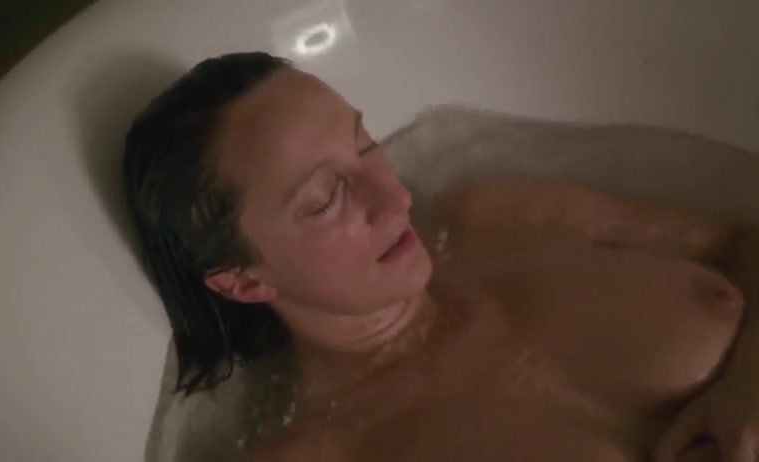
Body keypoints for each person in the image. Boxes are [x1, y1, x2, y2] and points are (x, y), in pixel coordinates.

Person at [123, 52, 759, 462]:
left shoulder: (501, 218)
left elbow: (742, 240)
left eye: (364, 144)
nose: (394, 196)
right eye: (325, 199)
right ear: (243, 280)